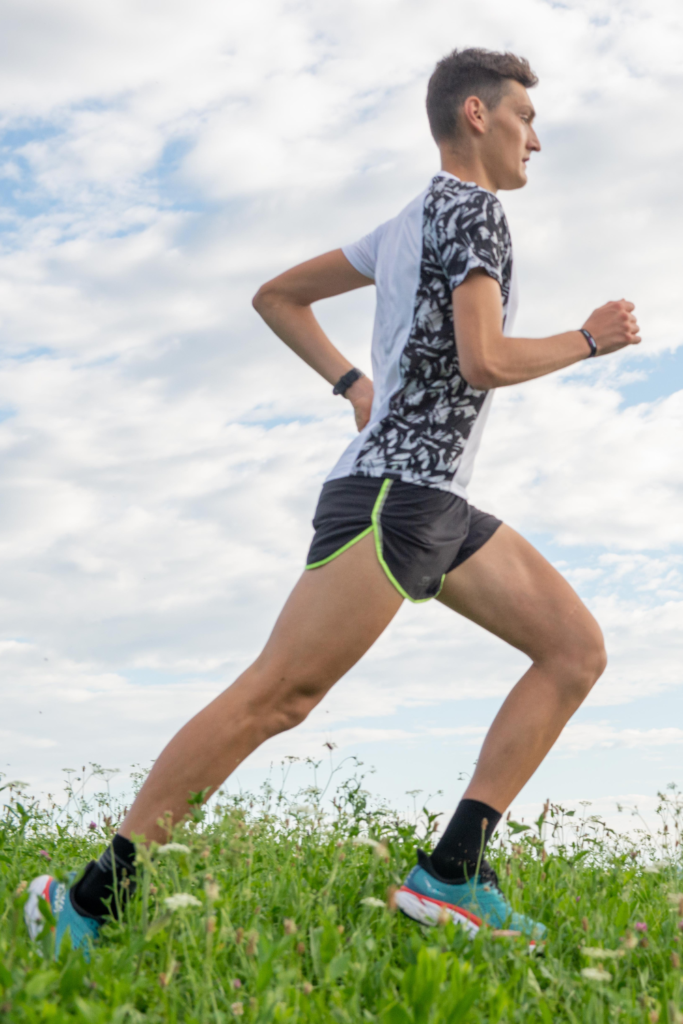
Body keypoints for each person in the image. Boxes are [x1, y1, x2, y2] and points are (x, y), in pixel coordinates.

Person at [26, 47, 641, 955]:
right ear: (476, 115)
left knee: (572, 650)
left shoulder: (403, 223)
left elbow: (278, 297)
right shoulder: (473, 212)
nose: (534, 141)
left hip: (431, 499)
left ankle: (452, 871)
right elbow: (485, 362)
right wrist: (588, 339)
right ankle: (87, 905)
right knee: (279, 695)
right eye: (523, 118)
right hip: (393, 497)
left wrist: (354, 382)